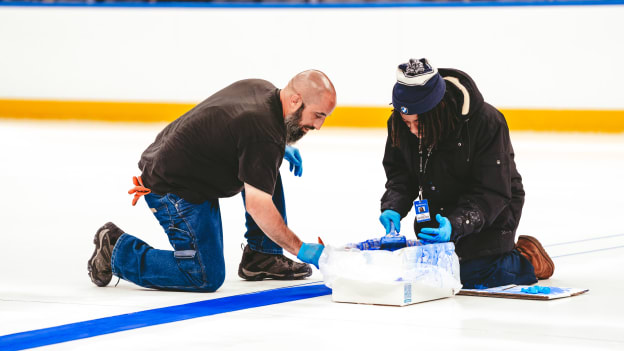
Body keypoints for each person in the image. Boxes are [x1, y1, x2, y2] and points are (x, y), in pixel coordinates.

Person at [88, 70, 336, 292]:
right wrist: (300, 248)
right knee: (204, 274)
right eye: (318, 115)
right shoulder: (263, 133)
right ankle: (116, 250)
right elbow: (257, 205)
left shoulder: (263, 89)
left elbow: (247, 135)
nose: (318, 125)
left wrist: (279, 146)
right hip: (173, 190)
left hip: (178, 165)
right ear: (295, 100)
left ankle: (262, 256)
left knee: (265, 163)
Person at [379, 58, 554, 289]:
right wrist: (393, 206)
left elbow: (492, 191)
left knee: (472, 275)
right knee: (430, 273)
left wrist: (456, 224)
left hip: (492, 209)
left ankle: (527, 257)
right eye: (406, 122)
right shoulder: (400, 125)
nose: (411, 130)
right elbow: (401, 174)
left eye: (418, 124)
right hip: (438, 207)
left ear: (436, 111)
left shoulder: (487, 122)